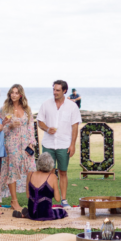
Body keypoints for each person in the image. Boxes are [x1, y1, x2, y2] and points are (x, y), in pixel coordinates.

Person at [36, 80, 81, 208]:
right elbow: (40, 122)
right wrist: (46, 128)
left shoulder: (72, 107)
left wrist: (72, 144)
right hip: (48, 144)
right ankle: (46, 200)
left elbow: (75, 126)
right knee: (47, 172)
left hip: (64, 144)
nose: (55, 92)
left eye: (57, 90)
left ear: (64, 91)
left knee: (63, 172)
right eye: (54, 90)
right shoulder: (46, 104)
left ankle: (64, 200)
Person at [0, 84, 36, 218]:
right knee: (12, 169)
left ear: (21, 95)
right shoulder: (4, 109)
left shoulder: (27, 109)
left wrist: (32, 143)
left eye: (16, 93)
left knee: (30, 168)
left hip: (25, 143)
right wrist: (10, 125)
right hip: (11, 142)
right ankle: (14, 201)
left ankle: (31, 199)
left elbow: (31, 127)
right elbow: (0, 128)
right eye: (12, 92)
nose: (14, 95)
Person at [27, 152, 67, 221]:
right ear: (51, 164)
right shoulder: (52, 177)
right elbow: (57, 199)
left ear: (38, 163)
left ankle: (25, 213)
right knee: (63, 212)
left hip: (31, 214)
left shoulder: (30, 174)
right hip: (46, 214)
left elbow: (28, 195)